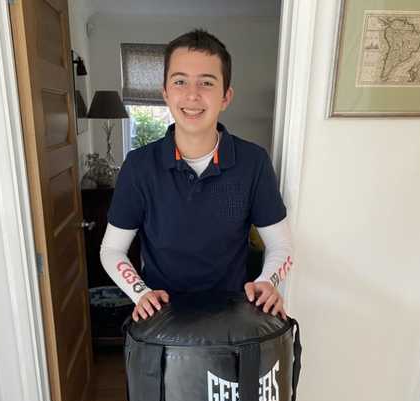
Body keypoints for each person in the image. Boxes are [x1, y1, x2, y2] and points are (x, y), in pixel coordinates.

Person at [100, 29, 293, 323]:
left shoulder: (254, 161)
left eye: (206, 82)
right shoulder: (139, 166)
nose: (192, 94)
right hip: (162, 323)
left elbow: (282, 246)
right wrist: (140, 293)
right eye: (180, 82)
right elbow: (112, 249)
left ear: (226, 96)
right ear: (165, 92)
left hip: (232, 322)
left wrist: (268, 281)